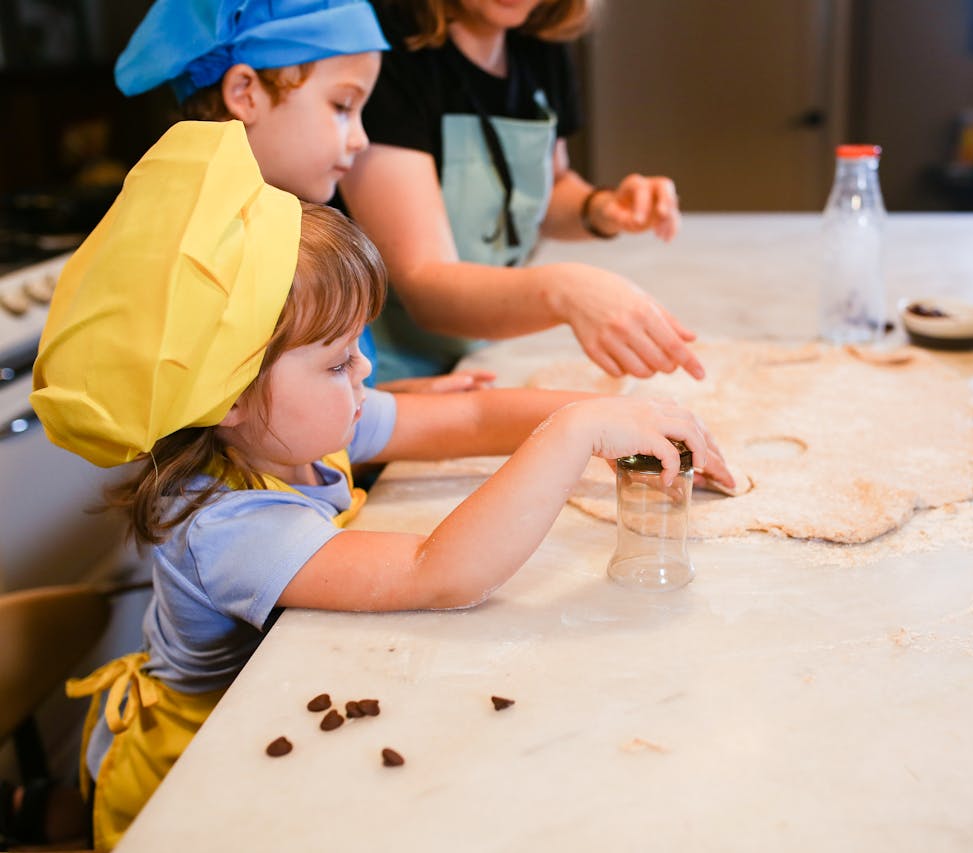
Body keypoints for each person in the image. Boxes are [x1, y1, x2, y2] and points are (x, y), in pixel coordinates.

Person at [30, 121, 730, 850]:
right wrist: (575, 434)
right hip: (196, 782)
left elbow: (468, 416)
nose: (366, 375)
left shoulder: (292, 425)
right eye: (338, 362)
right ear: (228, 393)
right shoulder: (227, 525)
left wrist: (614, 416)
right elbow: (441, 572)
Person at [114, 0, 491, 393]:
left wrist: (398, 397)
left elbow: (296, 413)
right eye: (342, 106)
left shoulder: (282, 229)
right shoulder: (223, 258)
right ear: (245, 93)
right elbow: (262, 439)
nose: (361, 140)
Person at [338, 0, 706, 384]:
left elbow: (550, 189)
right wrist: (565, 290)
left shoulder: (538, 46)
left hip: (482, 350)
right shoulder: (389, 50)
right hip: (384, 373)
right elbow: (425, 285)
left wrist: (601, 207)